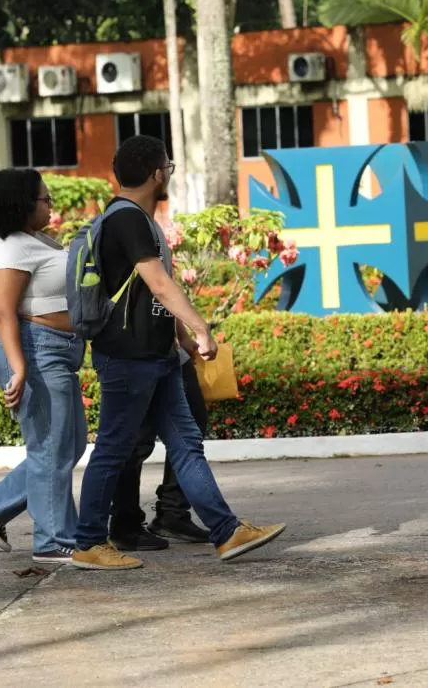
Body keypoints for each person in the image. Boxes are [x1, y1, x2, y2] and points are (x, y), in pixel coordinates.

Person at [71, 135, 286, 571]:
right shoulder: (126, 219)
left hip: (157, 355)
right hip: (127, 357)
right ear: (156, 173)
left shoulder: (140, 219)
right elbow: (160, 284)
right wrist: (201, 327)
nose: (168, 174)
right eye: (167, 168)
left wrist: (182, 342)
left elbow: (152, 296)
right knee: (114, 448)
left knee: (187, 444)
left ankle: (227, 532)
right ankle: (89, 542)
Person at [0, 168, 87, 565]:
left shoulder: (35, 241)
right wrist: (18, 369)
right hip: (32, 351)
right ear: (21, 204)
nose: (51, 204)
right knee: (51, 447)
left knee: (69, 444)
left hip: (54, 350)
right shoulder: (10, 247)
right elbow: (4, 311)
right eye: (44, 198)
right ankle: (53, 539)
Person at [109, 354, 211, 551]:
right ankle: (125, 523)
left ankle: (173, 512)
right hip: (140, 351)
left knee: (192, 425)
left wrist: (183, 336)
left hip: (170, 352)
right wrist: (199, 329)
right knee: (138, 439)